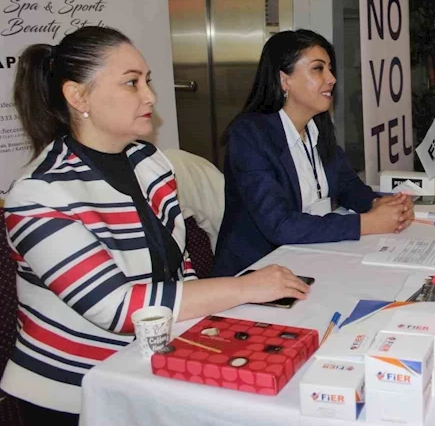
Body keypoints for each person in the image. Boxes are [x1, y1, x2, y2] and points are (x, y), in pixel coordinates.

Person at [1, 27, 311, 424]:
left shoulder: (149, 163)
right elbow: (117, 307)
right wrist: (244, 287)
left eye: (147, 81)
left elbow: (180, 268)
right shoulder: (38, 193)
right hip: (74, 394)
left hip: (151, 371)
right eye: (132, 83)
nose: (149, 96)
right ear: (78, 97)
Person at [213, 30, 414, 277]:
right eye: (318, 69)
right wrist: (367, 223)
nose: (331, 78)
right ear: (284, 80)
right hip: (255, 271)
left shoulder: (316, 125)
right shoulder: (249, 136)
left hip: (309, 256)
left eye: (330, 69)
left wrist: (381, 205)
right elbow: (280, 225)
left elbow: (347, 185)